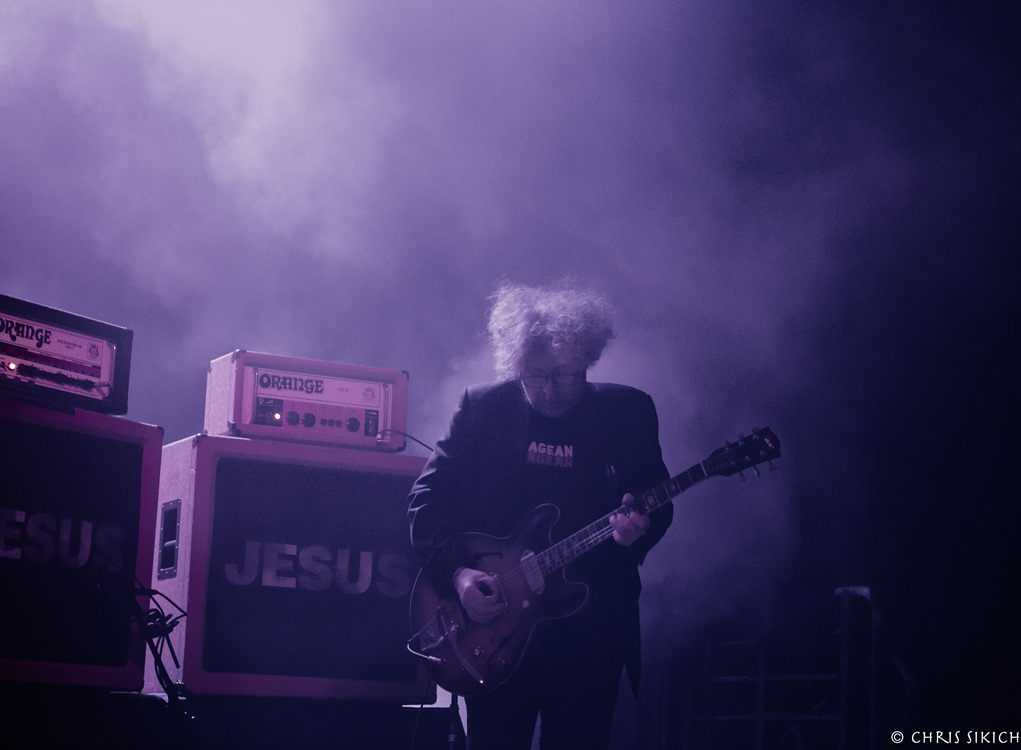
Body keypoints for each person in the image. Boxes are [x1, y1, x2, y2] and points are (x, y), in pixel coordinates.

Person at [408, 282, 673, 750]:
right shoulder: (484, 408)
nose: (549, 389)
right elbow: (427, 500)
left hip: (591, 633)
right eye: (535, 376)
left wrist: (638, 533)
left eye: (565, 375)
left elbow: (659, 503)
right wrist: (458, 574)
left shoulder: (627, 412)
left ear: (588, 360)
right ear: (517, 365)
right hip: (497, 630)